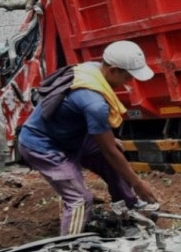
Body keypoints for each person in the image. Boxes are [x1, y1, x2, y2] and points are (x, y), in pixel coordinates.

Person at [18, 40, 159, 235]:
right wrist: (138, 183)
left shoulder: (93, 68)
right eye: (128, 76)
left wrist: (108, 141)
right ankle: (68, 251)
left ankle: (129, 209)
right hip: (43, 145)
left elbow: (108, 147)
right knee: (79, 199)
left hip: (70, 136)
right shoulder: (94, 102)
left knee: (116, 159)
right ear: (113, 70)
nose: (129, 81)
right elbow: (108, 150)